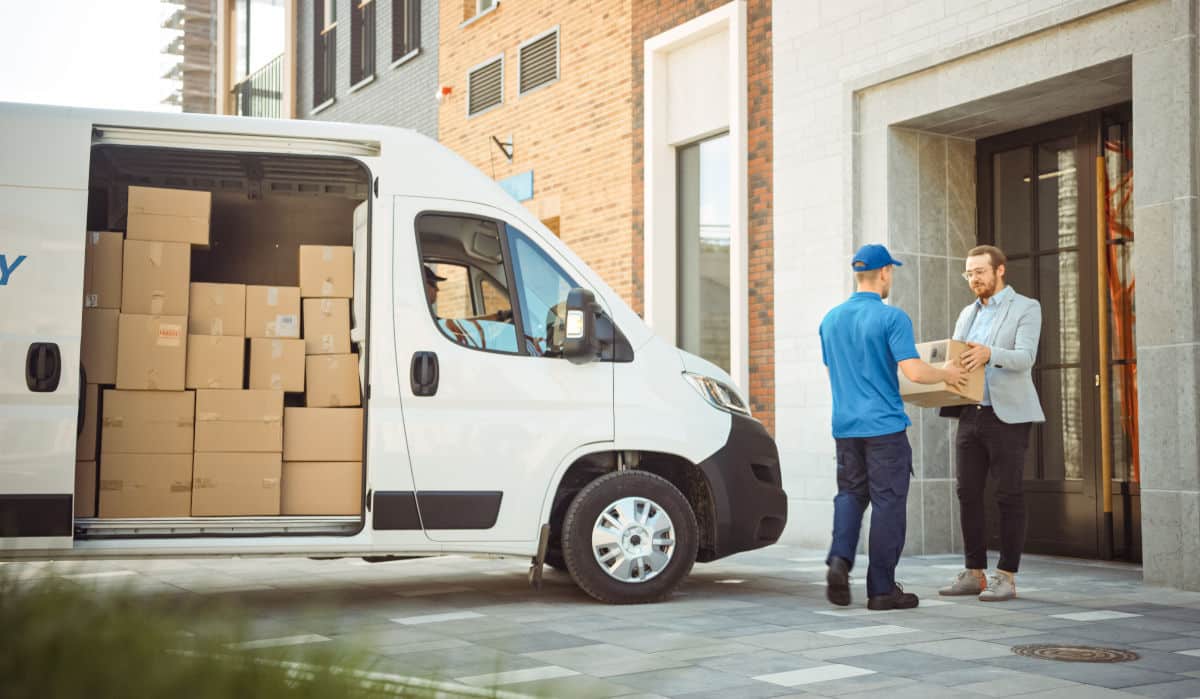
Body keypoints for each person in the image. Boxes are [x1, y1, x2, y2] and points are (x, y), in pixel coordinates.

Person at [821, 244, 969, 610]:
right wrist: (947, 373)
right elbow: (915, 371)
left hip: (845, 427)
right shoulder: (892, 317)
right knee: (888, 503)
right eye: (892, 272)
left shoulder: (831, 319)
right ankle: (882, 590)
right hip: (884, 427)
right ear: (885, 272)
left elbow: (839, 370)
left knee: (850, 495)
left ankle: (839, 560)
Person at [938, 245, 1044, 602]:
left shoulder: (1026, 307)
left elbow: (1026, 357)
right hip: (970, 412)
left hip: (1008, 415)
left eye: (980, 272)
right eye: (969, 273)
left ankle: (1006, 576)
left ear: (1000, 270)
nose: (974, 279)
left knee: (1008, 493)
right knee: (967, 493)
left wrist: (989, 354)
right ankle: (974, 573)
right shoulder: (967, 313)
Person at [423, 263, 514, 350]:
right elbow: (459, 325)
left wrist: (498, 316)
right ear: (423, 285)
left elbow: (463, 323)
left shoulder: (427, 316)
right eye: (434, 284)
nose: (437, 289)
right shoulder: (424, 318)